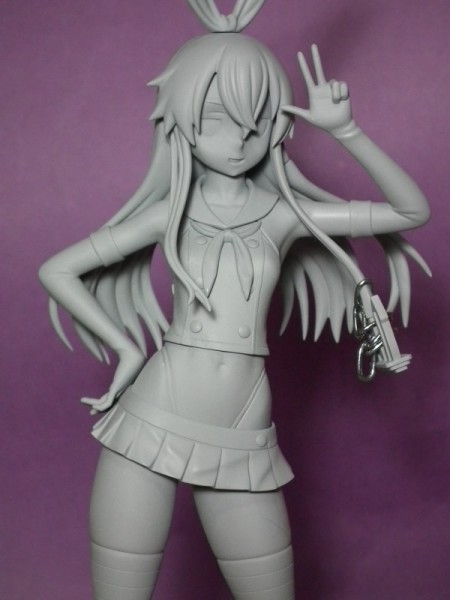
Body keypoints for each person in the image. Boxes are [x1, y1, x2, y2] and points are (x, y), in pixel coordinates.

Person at [39, 2, 430, 598]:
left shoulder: (285, 213)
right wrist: (126, 350)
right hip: (154, 413)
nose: (241, 138)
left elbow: (410, 211)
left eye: (258, 119)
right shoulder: (168, 212)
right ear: (182, 120)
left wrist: (346, 131)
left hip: (243, 423)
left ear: (277, 125)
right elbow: (57, 269)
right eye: (219, 117)